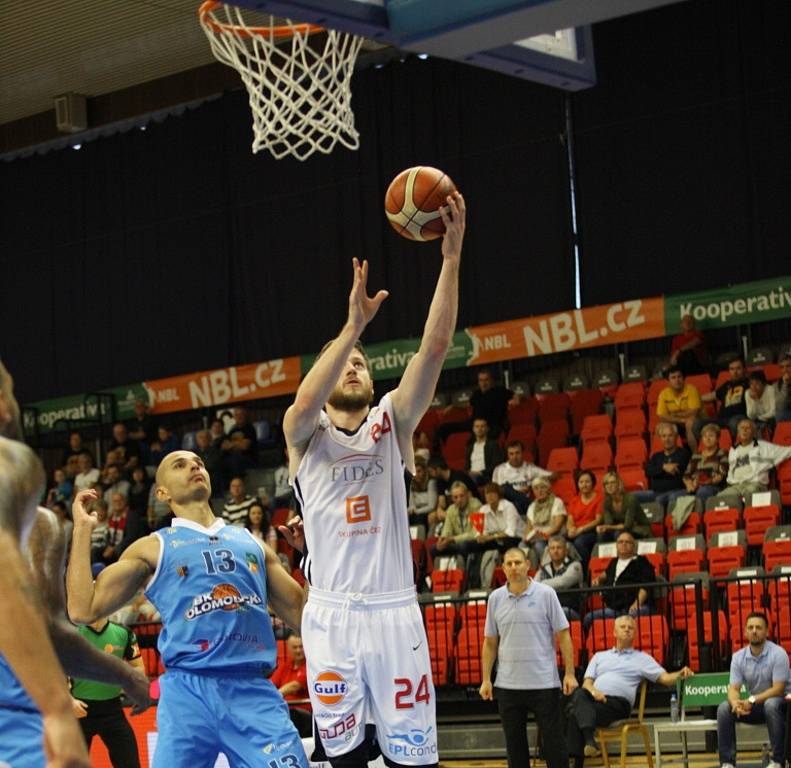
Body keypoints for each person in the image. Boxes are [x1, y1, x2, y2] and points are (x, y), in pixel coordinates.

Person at [282, 192, 465, 768]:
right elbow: (306, 397)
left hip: (392, 610)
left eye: (362, 359)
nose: (355, 364)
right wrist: (352, 328)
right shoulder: (303, 434)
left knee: (414, 760)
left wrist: (451, 261)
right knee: (344, 760)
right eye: (344, 361)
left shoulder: (392, 420)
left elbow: (434, 349)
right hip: (332, 614)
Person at [66, 451, 308, 768]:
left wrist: (310, 558)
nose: (194, 466)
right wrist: (82, 530)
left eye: (199, 462)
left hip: (252, 690)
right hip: (188, 694)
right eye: (179, 465)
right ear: (162, 493)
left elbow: (305, 619)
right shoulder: (153, 546)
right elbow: (83, 608)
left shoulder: (251, 542)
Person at [0, 360, 151, 768]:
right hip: (21, 719)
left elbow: (52, 627)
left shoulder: (42, 523)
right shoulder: (16, 472)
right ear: (3, 405)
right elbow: (40, 626)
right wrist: (126, 677)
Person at [479, 547, 578, 768]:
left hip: (543, 683)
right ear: (503, 568)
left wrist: (570, 673)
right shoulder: (495, 598)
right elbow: (490, 642)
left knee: (554, 745)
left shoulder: (546, 594)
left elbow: (563, 635)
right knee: (515, 749)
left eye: (518, 563)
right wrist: (486, 679)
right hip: (507, 685)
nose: (514, 567)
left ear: (527, 565)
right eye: (509, 564)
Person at [567, 615, 693, 765]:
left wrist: (680, 673)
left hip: (617, 706)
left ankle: (581, 752)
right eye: (623, 627)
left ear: (635, 634)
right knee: (579, 695)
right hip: (595, 701)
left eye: (631, 628)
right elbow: (587, 684)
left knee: (574, 710)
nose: (627, 629)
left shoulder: (642, 658)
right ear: (614, 632)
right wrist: (596, 693)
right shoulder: (599, 657)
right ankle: (589, 741)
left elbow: (665, 679)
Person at [716, 612, 790, 768]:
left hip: (782, 706)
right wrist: (735, 702)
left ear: (767, 632)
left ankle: (778, 761)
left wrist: (752, 700)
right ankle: (727, 762)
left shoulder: (778, 654)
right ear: (745, 632)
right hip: (756, 706)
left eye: (758, 627)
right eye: (750, 627)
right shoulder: (738, 657)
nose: (754, 631)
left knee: (771, 704)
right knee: (724, 708)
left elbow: (778, 689)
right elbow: (733, 688)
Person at [70, 616, 145, 768]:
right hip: (79, 711)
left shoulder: (124, 633)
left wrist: (135, 689)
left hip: (112, 711)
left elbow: (139, 668)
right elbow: (55, 669)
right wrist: (68, 699)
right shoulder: (71, 633)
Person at [584, 531, 656, 630]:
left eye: (627, 542)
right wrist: (598, 579)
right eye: (620, 542)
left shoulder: (642, 562)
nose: (624, 544)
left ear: (634, 546)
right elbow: (606, 573)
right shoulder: (614, 562)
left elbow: (646, 586)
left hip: (635, 606)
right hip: (614, 609)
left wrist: (637, 603)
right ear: (616, 546)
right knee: (588, 618)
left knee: (629, 618)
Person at [714, 418, 791, 505]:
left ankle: (747, 516)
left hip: (755, 484)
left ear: (754, 432)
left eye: (748, 428)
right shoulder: (733, 450)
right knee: (720, 497)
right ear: (738, 433)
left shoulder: (763, 446)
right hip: (736, 486)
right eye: (742, 428)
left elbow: (785, 451)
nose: (745, 430)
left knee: (750, 492)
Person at [434, 368, 517, 447]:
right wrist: (453, 406)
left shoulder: (500, 391)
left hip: (491, 425)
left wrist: (515, 400)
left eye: (486, 380)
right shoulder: (477, 394)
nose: (483, 383)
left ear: (491, 380)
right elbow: (468, 404)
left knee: (473, 442)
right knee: (443, 428)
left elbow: (515, 396)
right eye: (481, 380)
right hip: (473, 423)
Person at [477, 482, 525, 588]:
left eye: (492, 493)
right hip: (496, 540)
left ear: (498, 495)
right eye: (487, 494)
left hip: (515, 539)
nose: (489, 496)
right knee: (473, 546)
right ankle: (479, 583)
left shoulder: (508, 506)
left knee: (502, 543)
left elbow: (510, 532)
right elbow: (482, 531)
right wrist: (481, 537)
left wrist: (489, 537)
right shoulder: (483, 509)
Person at [695, 357, 750, 441]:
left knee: (733, 423)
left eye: (738, 368)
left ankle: (736, 449)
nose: (735, 372)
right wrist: (695, 398)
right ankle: (706, 448)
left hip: (740, 417)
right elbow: (713, 395)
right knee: (697, 424)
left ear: (744, 369)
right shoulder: (727, 385)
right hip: (721, 419)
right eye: (732, 369)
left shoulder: (748, 383)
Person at [491, 439, 552, 515]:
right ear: (507, 455)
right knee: (505, 488)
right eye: (511, 454)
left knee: (512, 498)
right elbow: (493, 491)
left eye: (517, 453)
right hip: (507, 505)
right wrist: (516, 493)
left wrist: (533, 485)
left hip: (525, 504)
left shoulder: (530, 468)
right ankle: (534, 508)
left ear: (522, 453)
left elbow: (554, 475)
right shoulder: (499, 469)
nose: (515, 457)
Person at [270, 634, 312, 737]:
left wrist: (275, 695)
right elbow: (271, 684)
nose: (298, 650)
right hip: (284, 711)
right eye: (295, 647)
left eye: (301, 647)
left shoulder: (310, 666)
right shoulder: (286, 665)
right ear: (289, 648)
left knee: (291, 715)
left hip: (304, 715)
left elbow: (294, 686)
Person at [535, 535, 583, 619]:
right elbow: (534, 585)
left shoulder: (575, 565)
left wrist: (541, 585)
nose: (555, 551)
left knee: (559, 612)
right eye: (552, 548)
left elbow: (562, 583)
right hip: (547, 609)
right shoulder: (544, 569)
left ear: (566, 551)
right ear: (549, 551)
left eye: (559, 548)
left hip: (570, 610)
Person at [523, 476, 567, 565]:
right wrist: (526, 537)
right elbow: (529, 527)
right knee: (521, 545)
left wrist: (543, 535)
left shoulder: (557, 502)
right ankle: (530, 571)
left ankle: (546, 568)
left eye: (543, 487)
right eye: (536, 488)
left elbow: (557, 526)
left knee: (539, 544)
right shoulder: (532, 506)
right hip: (536, 537)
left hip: (554, 535)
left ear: (548, 489)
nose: (539, 491)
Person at [597, 472, 652, 541]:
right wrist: (603, 528)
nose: (609, 486)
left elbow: (627, 525)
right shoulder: (606, 502)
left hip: (639, 529)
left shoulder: (630, 499)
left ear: (619, 484)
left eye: (612, 482)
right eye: (606, 483)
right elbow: (609, 523)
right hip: (620, 529)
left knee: (619, 534)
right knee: (602, 535)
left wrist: (608, 527)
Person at [645, 423, 690, 509]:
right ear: (660, 439)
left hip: (676, 491)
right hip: (655, 492)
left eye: (670, 436)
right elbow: (648, 471)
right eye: (664, 436)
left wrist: (657, 472)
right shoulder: (656, 456)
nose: (667, 439)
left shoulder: (684, 454)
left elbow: (677, 470)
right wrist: (663, 468)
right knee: (633, 496)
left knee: (661, 499)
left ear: (676, 437)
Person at [656, 366, 702, 447]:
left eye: (679, 377)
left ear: (683, 379)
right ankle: (666, 456)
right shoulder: (663, 394)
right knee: (660, 427)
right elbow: (662, 416)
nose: (677, 380)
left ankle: (695, 454)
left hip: (696, 421)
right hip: (679, 421)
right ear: (668, 381)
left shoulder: (691, 390)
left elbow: (694, 412)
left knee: (690, 423)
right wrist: (681, 419)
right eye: (673, 378)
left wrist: (675, 415)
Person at [565, 470, 602, 568]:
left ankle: (585, 571)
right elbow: (570, 519)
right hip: (576, 530)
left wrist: (581, 529)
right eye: (581, 482)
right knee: (558, 540)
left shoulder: (600, 498)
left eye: (587, 482)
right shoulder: (574, 500)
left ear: (593, 483)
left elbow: (598, 520)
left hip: (591, 531)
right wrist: (570, 529)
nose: (584, 485)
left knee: (579, 542)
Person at [682, 423, 728, 500]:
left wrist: (700, 483)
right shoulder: (696, 455)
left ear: (717, 438)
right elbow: (687, 475)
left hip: (713, 487)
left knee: (703, 491)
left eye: (711, 436)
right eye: (705, 436)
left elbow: (721, 475)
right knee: (676, 496)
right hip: (694, 486)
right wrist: (689, 484)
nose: (707, 439)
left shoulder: (722, 453)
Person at [465, 417, 504, 485]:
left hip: (485, 476)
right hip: (471, 475)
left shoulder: (493, 445)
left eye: (482, 426)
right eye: (477, 426)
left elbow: (496, 464)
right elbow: (467, 466)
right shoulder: (470, 447)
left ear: (487, 429)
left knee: (471, 480)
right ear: (473, 429)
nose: (479, 429)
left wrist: (481, 472)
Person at [408, 454, 438, 530]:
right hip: (417, 512)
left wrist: (416, 511)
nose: (417, 475)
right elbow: (412, 505)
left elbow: (431, 506)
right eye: (414, 472)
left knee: (419, 518)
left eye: (419, 471)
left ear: (424, 471)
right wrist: (411, 509)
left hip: (428, 511)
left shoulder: (431, 482)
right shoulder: (411, 484)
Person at [745, 370, 776, 434]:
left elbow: (773, 412)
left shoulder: (770, 390)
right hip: (757, 420)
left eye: (757, 383)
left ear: (764, 384)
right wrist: (755, 400)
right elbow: (750, 415)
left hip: (770, 419)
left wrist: (759, 418)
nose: (753, 387)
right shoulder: (748, 393)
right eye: (751, 384)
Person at [775, 355, 791, 422]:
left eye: (788, 366)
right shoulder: (778, 385)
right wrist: (785, 385)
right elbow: (780, 406)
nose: (785, 370)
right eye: (782, 367)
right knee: (781, 414)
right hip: (787, 414)